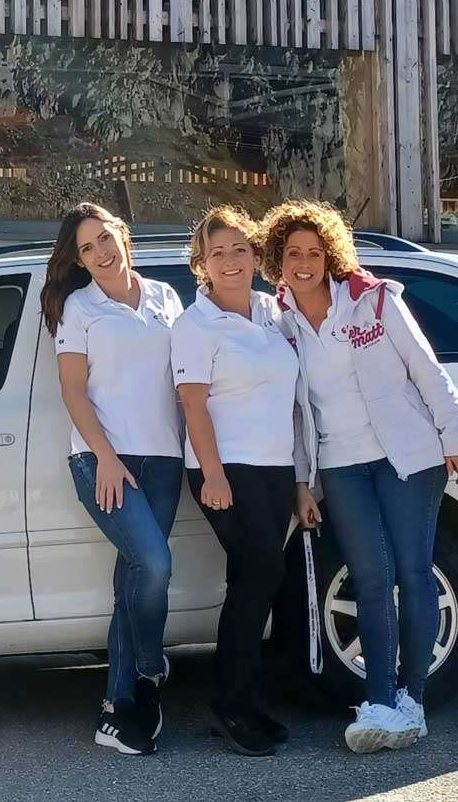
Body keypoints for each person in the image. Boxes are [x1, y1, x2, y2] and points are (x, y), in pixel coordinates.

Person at [260, 200, 458, 754]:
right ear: (278, 259)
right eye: (293, 253)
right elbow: (295, 414)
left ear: (330, 256)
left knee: (413, 573)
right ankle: (378, 701)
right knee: (370, 579)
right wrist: (301, 482)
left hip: (408, 457)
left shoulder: (373, 301)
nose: (304, 263)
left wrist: (454, 436)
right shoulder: (280, 325)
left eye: (314, 252)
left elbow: (426, 368)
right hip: (341, 465)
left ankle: (412, 700)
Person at [42, 203, 187, 757]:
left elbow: (187, 381)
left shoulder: (166, 298)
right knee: (154, 563)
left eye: (104, 238)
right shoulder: (79, 307)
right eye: (86, 248)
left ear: (123, 236)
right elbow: (73, 391)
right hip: (103, 460)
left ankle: (116, 708)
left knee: (133, 579)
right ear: (79, 261)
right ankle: (150, 667)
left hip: (163, 459)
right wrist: (104, 456)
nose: (100, 252)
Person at [169, 205, 301, 757]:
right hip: (226, 468)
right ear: (201, 262)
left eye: (240, 249)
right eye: (217, 252)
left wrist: (300, 482)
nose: (230, 260)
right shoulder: (194, 325)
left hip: (275, 466)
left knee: (253, 578)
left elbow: (292, 401)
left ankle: (246, 701)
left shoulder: (274, 313)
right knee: (262, 571)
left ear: (255, 256)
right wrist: (214, 475)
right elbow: (193, 406)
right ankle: (231, 704)